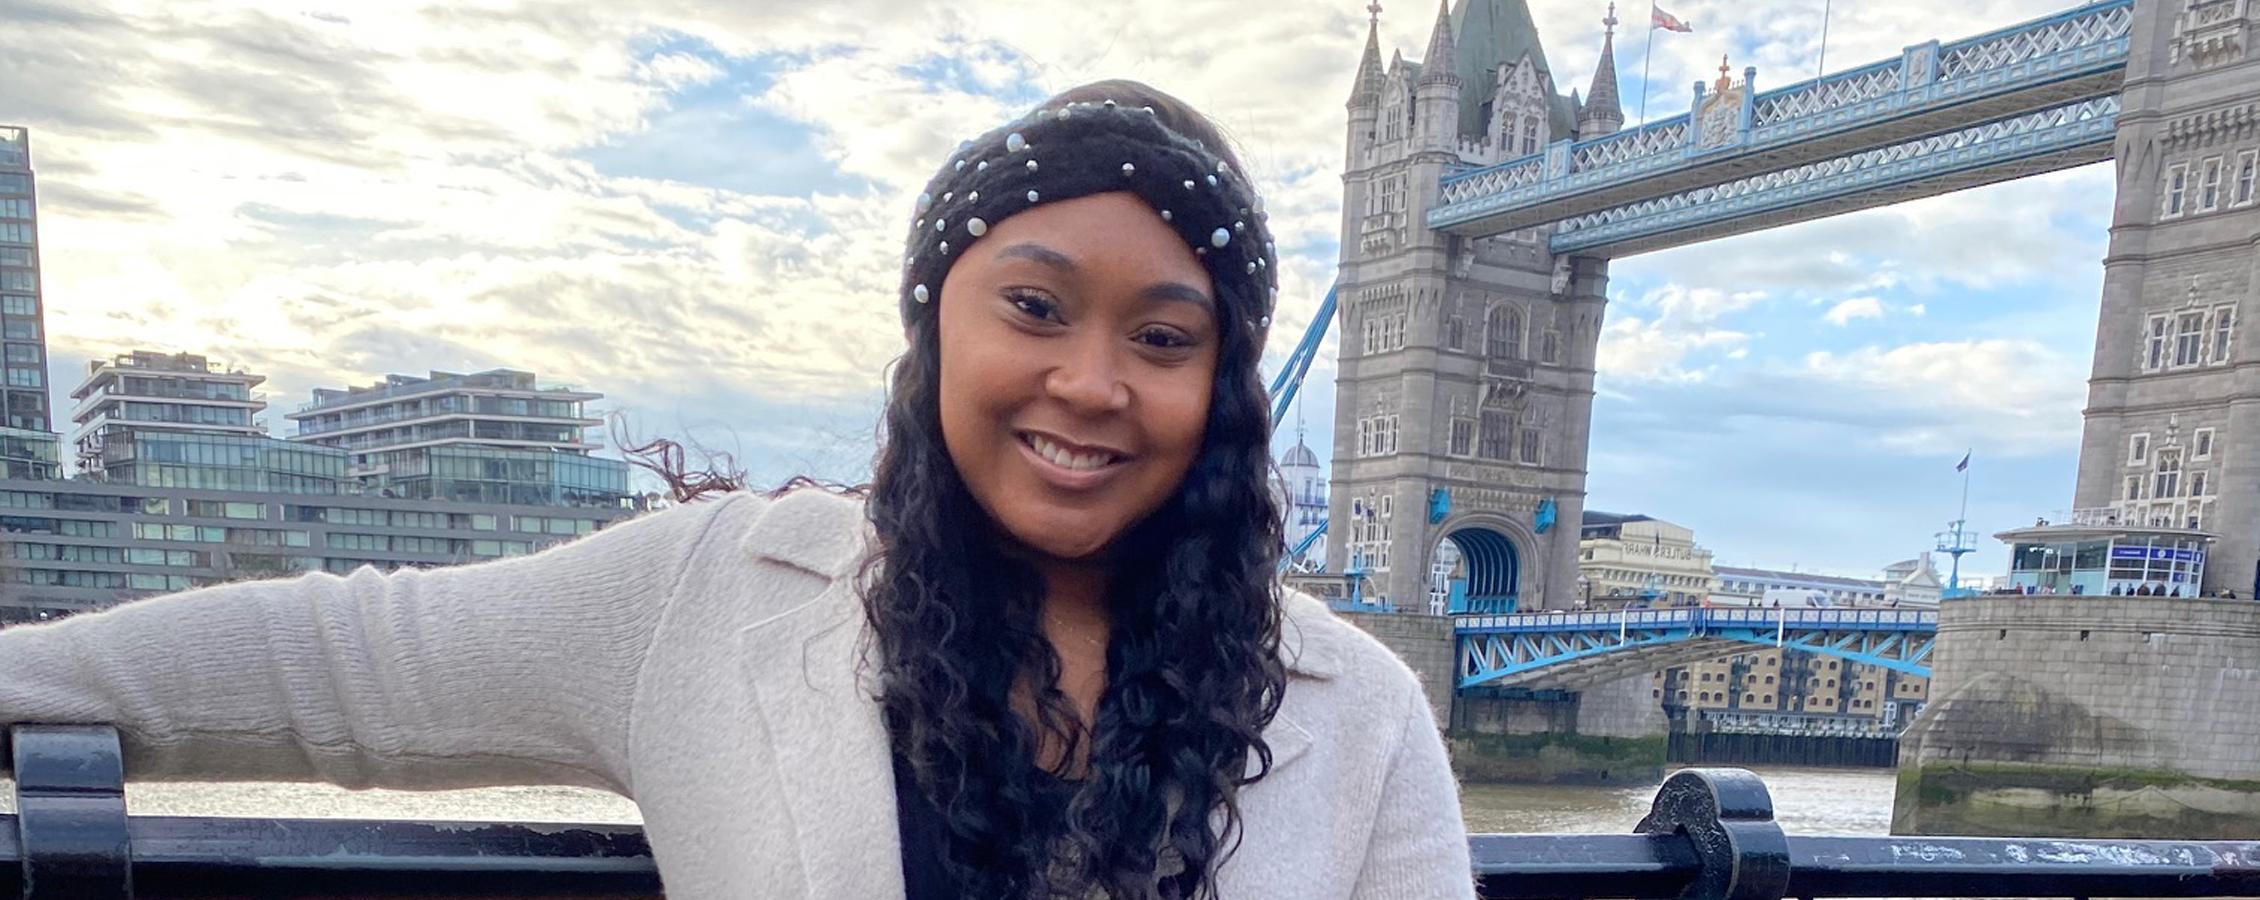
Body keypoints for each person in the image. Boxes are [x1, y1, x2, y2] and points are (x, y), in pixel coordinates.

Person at [0, 81, 1472, 899]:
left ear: (1219, 386)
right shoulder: (708, 597)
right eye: (1032, 307)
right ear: (935, 329)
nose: (1091, 383)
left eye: (1163, 338)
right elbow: (334, 665)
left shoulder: (1359, 708)